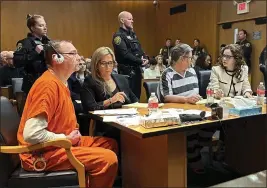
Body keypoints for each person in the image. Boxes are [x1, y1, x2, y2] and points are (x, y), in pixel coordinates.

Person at [17, 40, 118, 188]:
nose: (79, 57)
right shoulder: (47, 85)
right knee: (107, 158)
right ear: (56, 59)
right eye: (73, 53)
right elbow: (31, 134)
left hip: (60, 144)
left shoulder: (60, 82)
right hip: (41, 153)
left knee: (110, 144)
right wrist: (65, 138)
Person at [159, 44, 214, 174]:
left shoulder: (192, 71)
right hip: (177, 112)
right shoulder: (167, 74)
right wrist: (185, 100)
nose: (192, 60)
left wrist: (195, 98)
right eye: (190, 58)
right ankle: (194, 157)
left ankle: (192, 151)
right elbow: (166, 97)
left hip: (194, 109)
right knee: (191, 130)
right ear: (182, 59)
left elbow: (194, 91)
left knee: (214, 123)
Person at [81, 47, 138, 112]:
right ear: (96, 65)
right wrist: (111, 100)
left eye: (110, 63)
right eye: (103, 63)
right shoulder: (90, 81)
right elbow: (89, 107)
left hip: (125, 117)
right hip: (103, 120)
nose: (107, 67)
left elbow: (135, 101)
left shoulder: (122, 79)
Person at [112, 11, 148, 99]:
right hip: (126, 72)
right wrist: (140, 61)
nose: (132, 21)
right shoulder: (118, 36)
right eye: (129, 19)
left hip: (137, 71)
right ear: (122, 20)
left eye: (132, 19)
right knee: (128, 98)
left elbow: (140, 49)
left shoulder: (133, 34)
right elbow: (125, 54)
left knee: (137, 97)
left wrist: (145, 58)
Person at [13, 14, 50, 94]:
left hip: (47, 81)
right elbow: (16, 61)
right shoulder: (25, 43)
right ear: (33, 28)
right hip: (32, 83)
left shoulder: (48, 42)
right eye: (41, 25)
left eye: (45, 25)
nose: (45, 28)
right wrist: (35, 52)